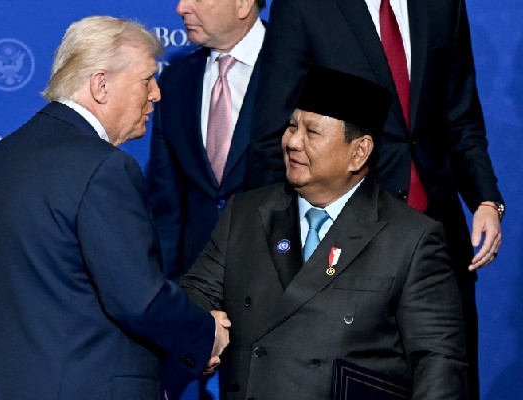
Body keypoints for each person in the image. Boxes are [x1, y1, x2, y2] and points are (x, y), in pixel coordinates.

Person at [0, 16, 230, 400]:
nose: (156, 94)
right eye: (146, 80)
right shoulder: (105, 168)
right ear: (101, 85)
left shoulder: (3, 156)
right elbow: (138, 300)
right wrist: (205, 334)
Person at [245, 2, 502, 396]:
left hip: (437, 242)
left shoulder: (443, 5)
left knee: (446, 381)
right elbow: (272, 133)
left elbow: (461, 118)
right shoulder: (304, 7)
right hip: (343, 248)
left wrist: (486, 200)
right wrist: (282, 252)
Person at [182, 65, 467, 400]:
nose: (292, 141)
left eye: (312, 132)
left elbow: (438, 360)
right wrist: (201, 334)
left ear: (359, 152)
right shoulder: (245, 214)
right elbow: (196, 294)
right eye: (292, 126)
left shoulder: (410, 239)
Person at [147, 1, 266, 398]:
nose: (182, 7)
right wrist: (169, 304)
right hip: (196, 302)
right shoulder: (176, 80)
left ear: (243, 4)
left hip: (278, 297)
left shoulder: (295, 72)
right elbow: (167, 207)